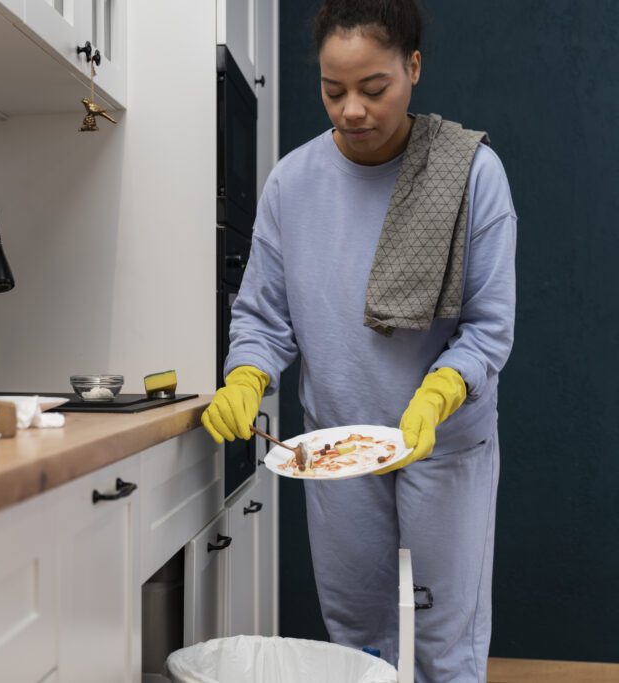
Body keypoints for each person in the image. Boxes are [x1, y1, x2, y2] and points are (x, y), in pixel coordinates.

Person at [201, 1, 516, 681]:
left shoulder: (471, 177)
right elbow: (261, 315)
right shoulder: (292, 183)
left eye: (374, 89)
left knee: (443, 640)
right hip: (337, 448)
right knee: (358, 638)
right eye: (332, 89)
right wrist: (246, 376)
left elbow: (490, 326)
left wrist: (438, 392)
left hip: (445, 441)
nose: (351, 110)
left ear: (414, 68)